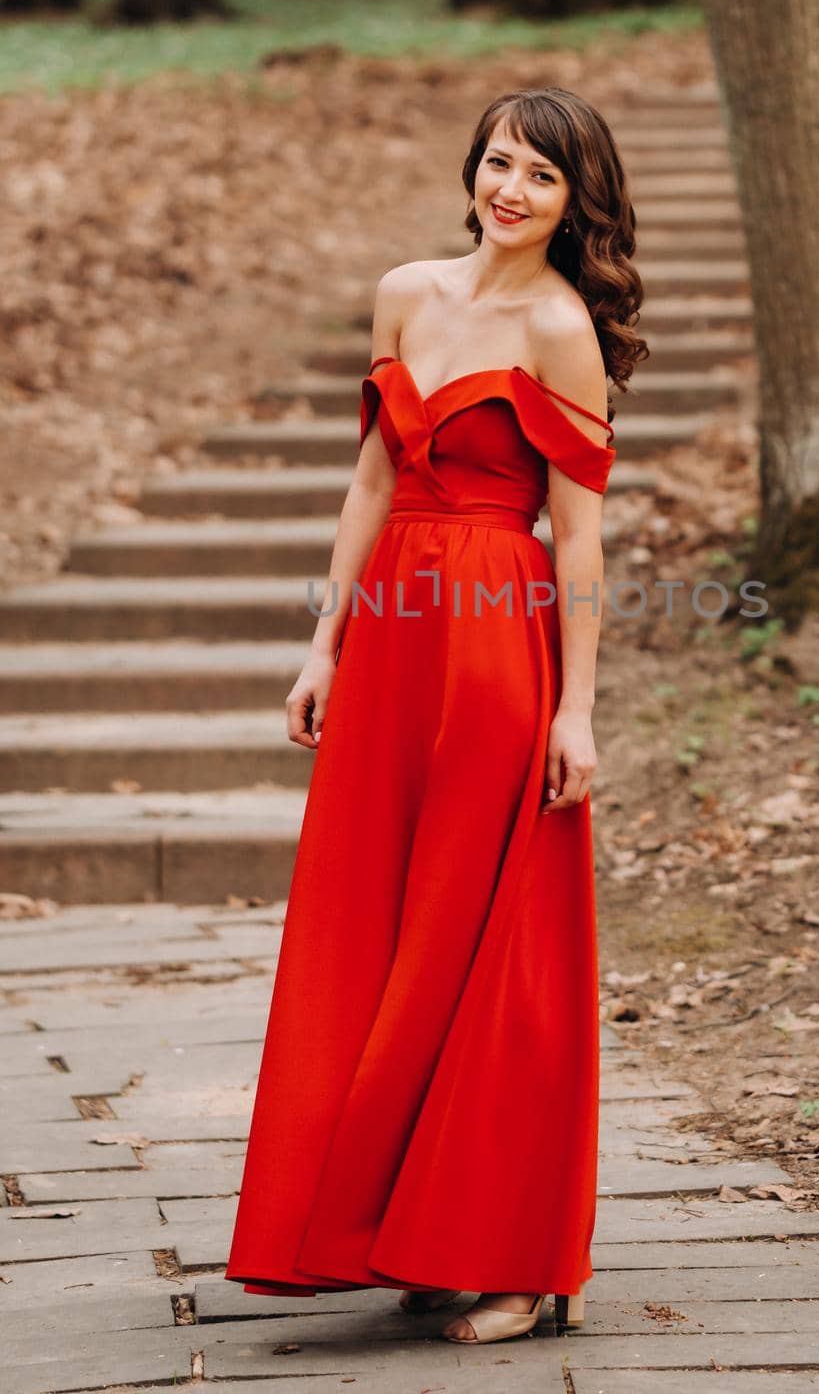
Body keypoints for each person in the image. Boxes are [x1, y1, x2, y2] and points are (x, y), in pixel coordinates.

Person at [224, 85, 646, 1346]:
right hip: (395, 642)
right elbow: (369, 476)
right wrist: (324, 641)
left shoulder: (563, 328)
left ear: (574, 206)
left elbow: (579, 540)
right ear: (472, 169)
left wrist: (576, 708)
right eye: (499, 164)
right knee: (375, 927)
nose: (511, 190)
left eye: (542, 179)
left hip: (493, 643)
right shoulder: (407, 290)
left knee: (492, 941)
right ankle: (398, 1225)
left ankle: (512, 1256)